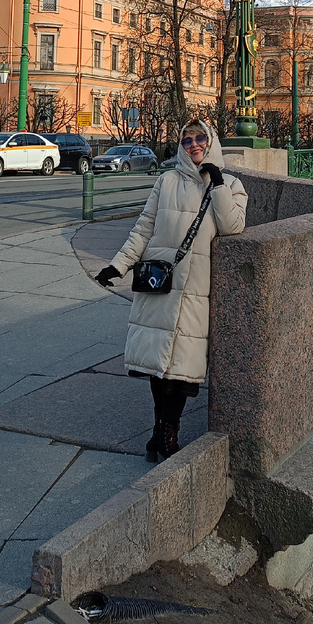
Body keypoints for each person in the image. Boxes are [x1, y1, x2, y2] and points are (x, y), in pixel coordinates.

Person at [96, 119, 247, 461]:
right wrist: (118, 266)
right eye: (187, 140)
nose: (194, 145)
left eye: (200, 138)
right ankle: (159, 428)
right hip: (159, 283)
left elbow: (233, 226)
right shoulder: (166, 181)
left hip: (194, 289)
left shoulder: (231, 184)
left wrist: (217, 183)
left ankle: (169, 430)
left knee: (180, 368)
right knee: (156, 363)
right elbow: (143, 229)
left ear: (211, 142)